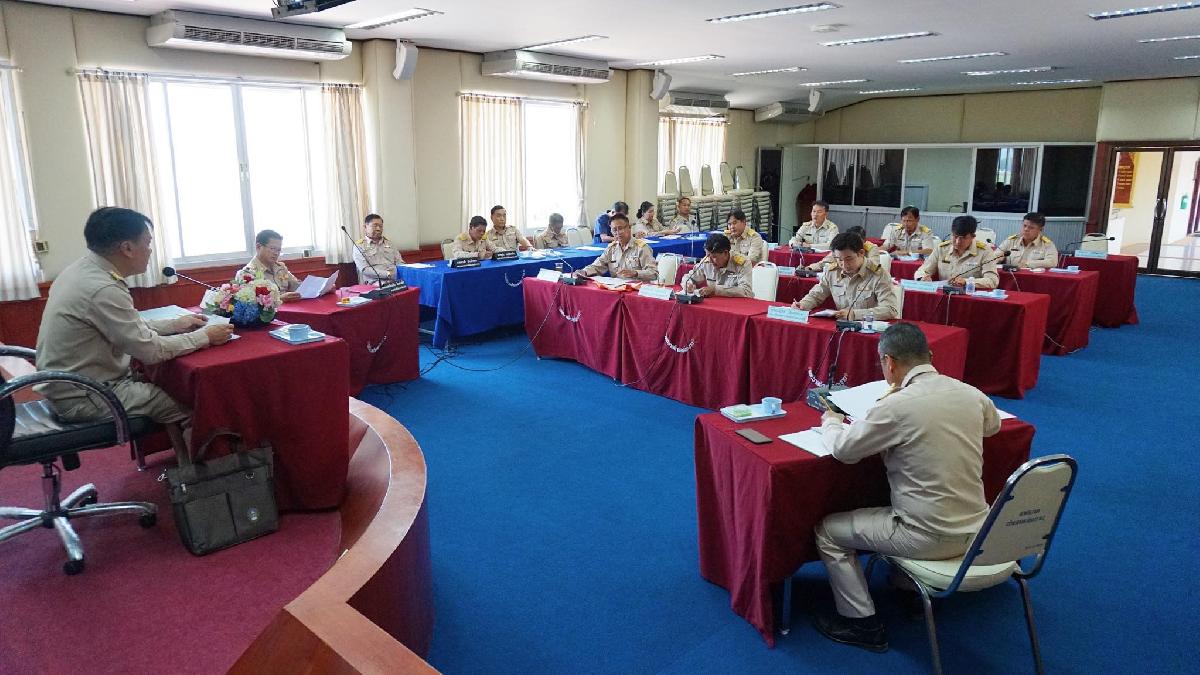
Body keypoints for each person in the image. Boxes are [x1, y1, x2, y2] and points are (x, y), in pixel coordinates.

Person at [811, 322, 1001, 652]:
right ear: (930, 356)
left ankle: (861, 622)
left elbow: (843, 451)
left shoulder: (895, 406)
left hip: (927, 536)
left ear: (889, 362)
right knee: (902, 506)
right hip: (979, 530)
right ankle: (909, 591)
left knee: (827, 532)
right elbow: (993, 427)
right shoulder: (970, 392)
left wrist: (831, 422)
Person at [35, 207, 235, 456]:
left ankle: (188, 466)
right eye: (147, 243)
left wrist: (176, 324)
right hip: (89, 395)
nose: (150, 251)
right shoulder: (103, 288)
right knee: (199, 408)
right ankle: (207, 476)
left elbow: (124, 326)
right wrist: (206, 336)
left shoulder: (81, 272)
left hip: (72, 386)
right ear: (127, 248)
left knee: (173, 387)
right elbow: (151, 351)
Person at [793, 232, 898, 320]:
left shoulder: (878, 274)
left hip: (868, 328)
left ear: (861, 253)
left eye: (849, 259)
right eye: (839, 259)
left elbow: (890, 309)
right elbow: (816, 295)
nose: (844, 264)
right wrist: (803, 304)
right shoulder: (832, 271)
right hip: (841, 327)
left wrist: (855, 315)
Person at [916, 215, 999, 289]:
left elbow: (992, 281)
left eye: (963, 238)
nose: (958, 242)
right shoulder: (942, 249)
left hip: (969, 296)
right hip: (944, 295)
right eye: (955, 236)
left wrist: (966, 282)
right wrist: (922, 278)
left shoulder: (985, 252)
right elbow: (922, 271)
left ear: (973, 237)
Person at [576, 214, 657, 281]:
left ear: (629, 227)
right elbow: (597, 266)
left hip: (636, 290)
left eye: (621, 228)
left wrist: (636, 273)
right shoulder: (611, 248)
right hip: (617, 289)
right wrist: (584, 272)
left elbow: (654, 273)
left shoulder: (642, 248)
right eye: (614, 230)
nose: (618, 233)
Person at [682, 233, 753, 298]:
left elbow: (746, 291)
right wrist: (687, 284)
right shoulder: (707, 261)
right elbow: (688, 277)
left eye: (714, 257)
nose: (710, 260)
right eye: (707, 255)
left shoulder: (742, 263)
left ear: (725, 253)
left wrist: (716, 290)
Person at [238, 230, 302, 302]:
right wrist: (279, 299)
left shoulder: (281, 268)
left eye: (278, 250)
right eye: (272, 249)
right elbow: (250, 302)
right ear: (258, 247)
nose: (276, 253)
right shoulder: (247, 273)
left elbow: (297, 286)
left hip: (290, 307)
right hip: (272, 309)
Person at [353, 213, 405, 283]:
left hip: (396, 278)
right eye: (375, 226)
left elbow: (399, 262)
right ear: (365, 227)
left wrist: (404, 271)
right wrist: (388, 274)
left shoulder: (389, 243)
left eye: (381, 226)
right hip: (375, 281)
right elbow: (365, 269)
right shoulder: (359, 246)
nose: (378, 229)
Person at [805, 225, 878, 271]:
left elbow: (873, 265)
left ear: (864, 240)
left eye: (857, 240)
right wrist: (811, 268)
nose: (854, 243)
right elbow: (826, 261)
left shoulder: (871, 248)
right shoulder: (843, 247)